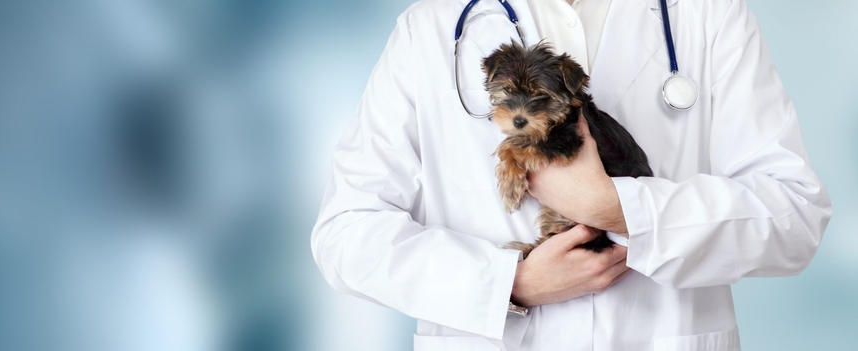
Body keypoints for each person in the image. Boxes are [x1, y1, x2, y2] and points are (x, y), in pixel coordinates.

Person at [310, 0, 832, 350]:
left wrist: (620, 211)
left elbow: (794, 213)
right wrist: (507, 285)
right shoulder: (433, 24)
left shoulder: (706, 13)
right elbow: (347, 233)